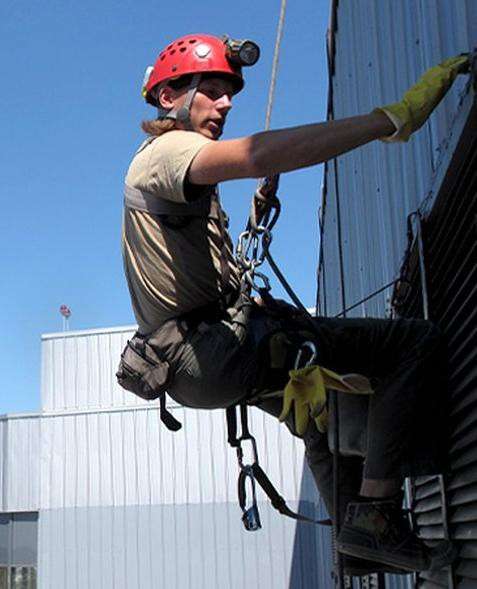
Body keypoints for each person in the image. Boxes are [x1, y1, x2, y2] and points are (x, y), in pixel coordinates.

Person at [121, 33, 469, 575]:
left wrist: (260, 204)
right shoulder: (164, 153)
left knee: (319, 420)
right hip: (211, 351)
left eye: (229, 93)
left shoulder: (179, 175)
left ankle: (355, 548)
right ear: (170, 98)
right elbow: (258, 151)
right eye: (212, 90)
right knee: (411, 344)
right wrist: (389, 119)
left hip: (191, 365)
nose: (227, 103)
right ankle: (376, 513)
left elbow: (208, 265)